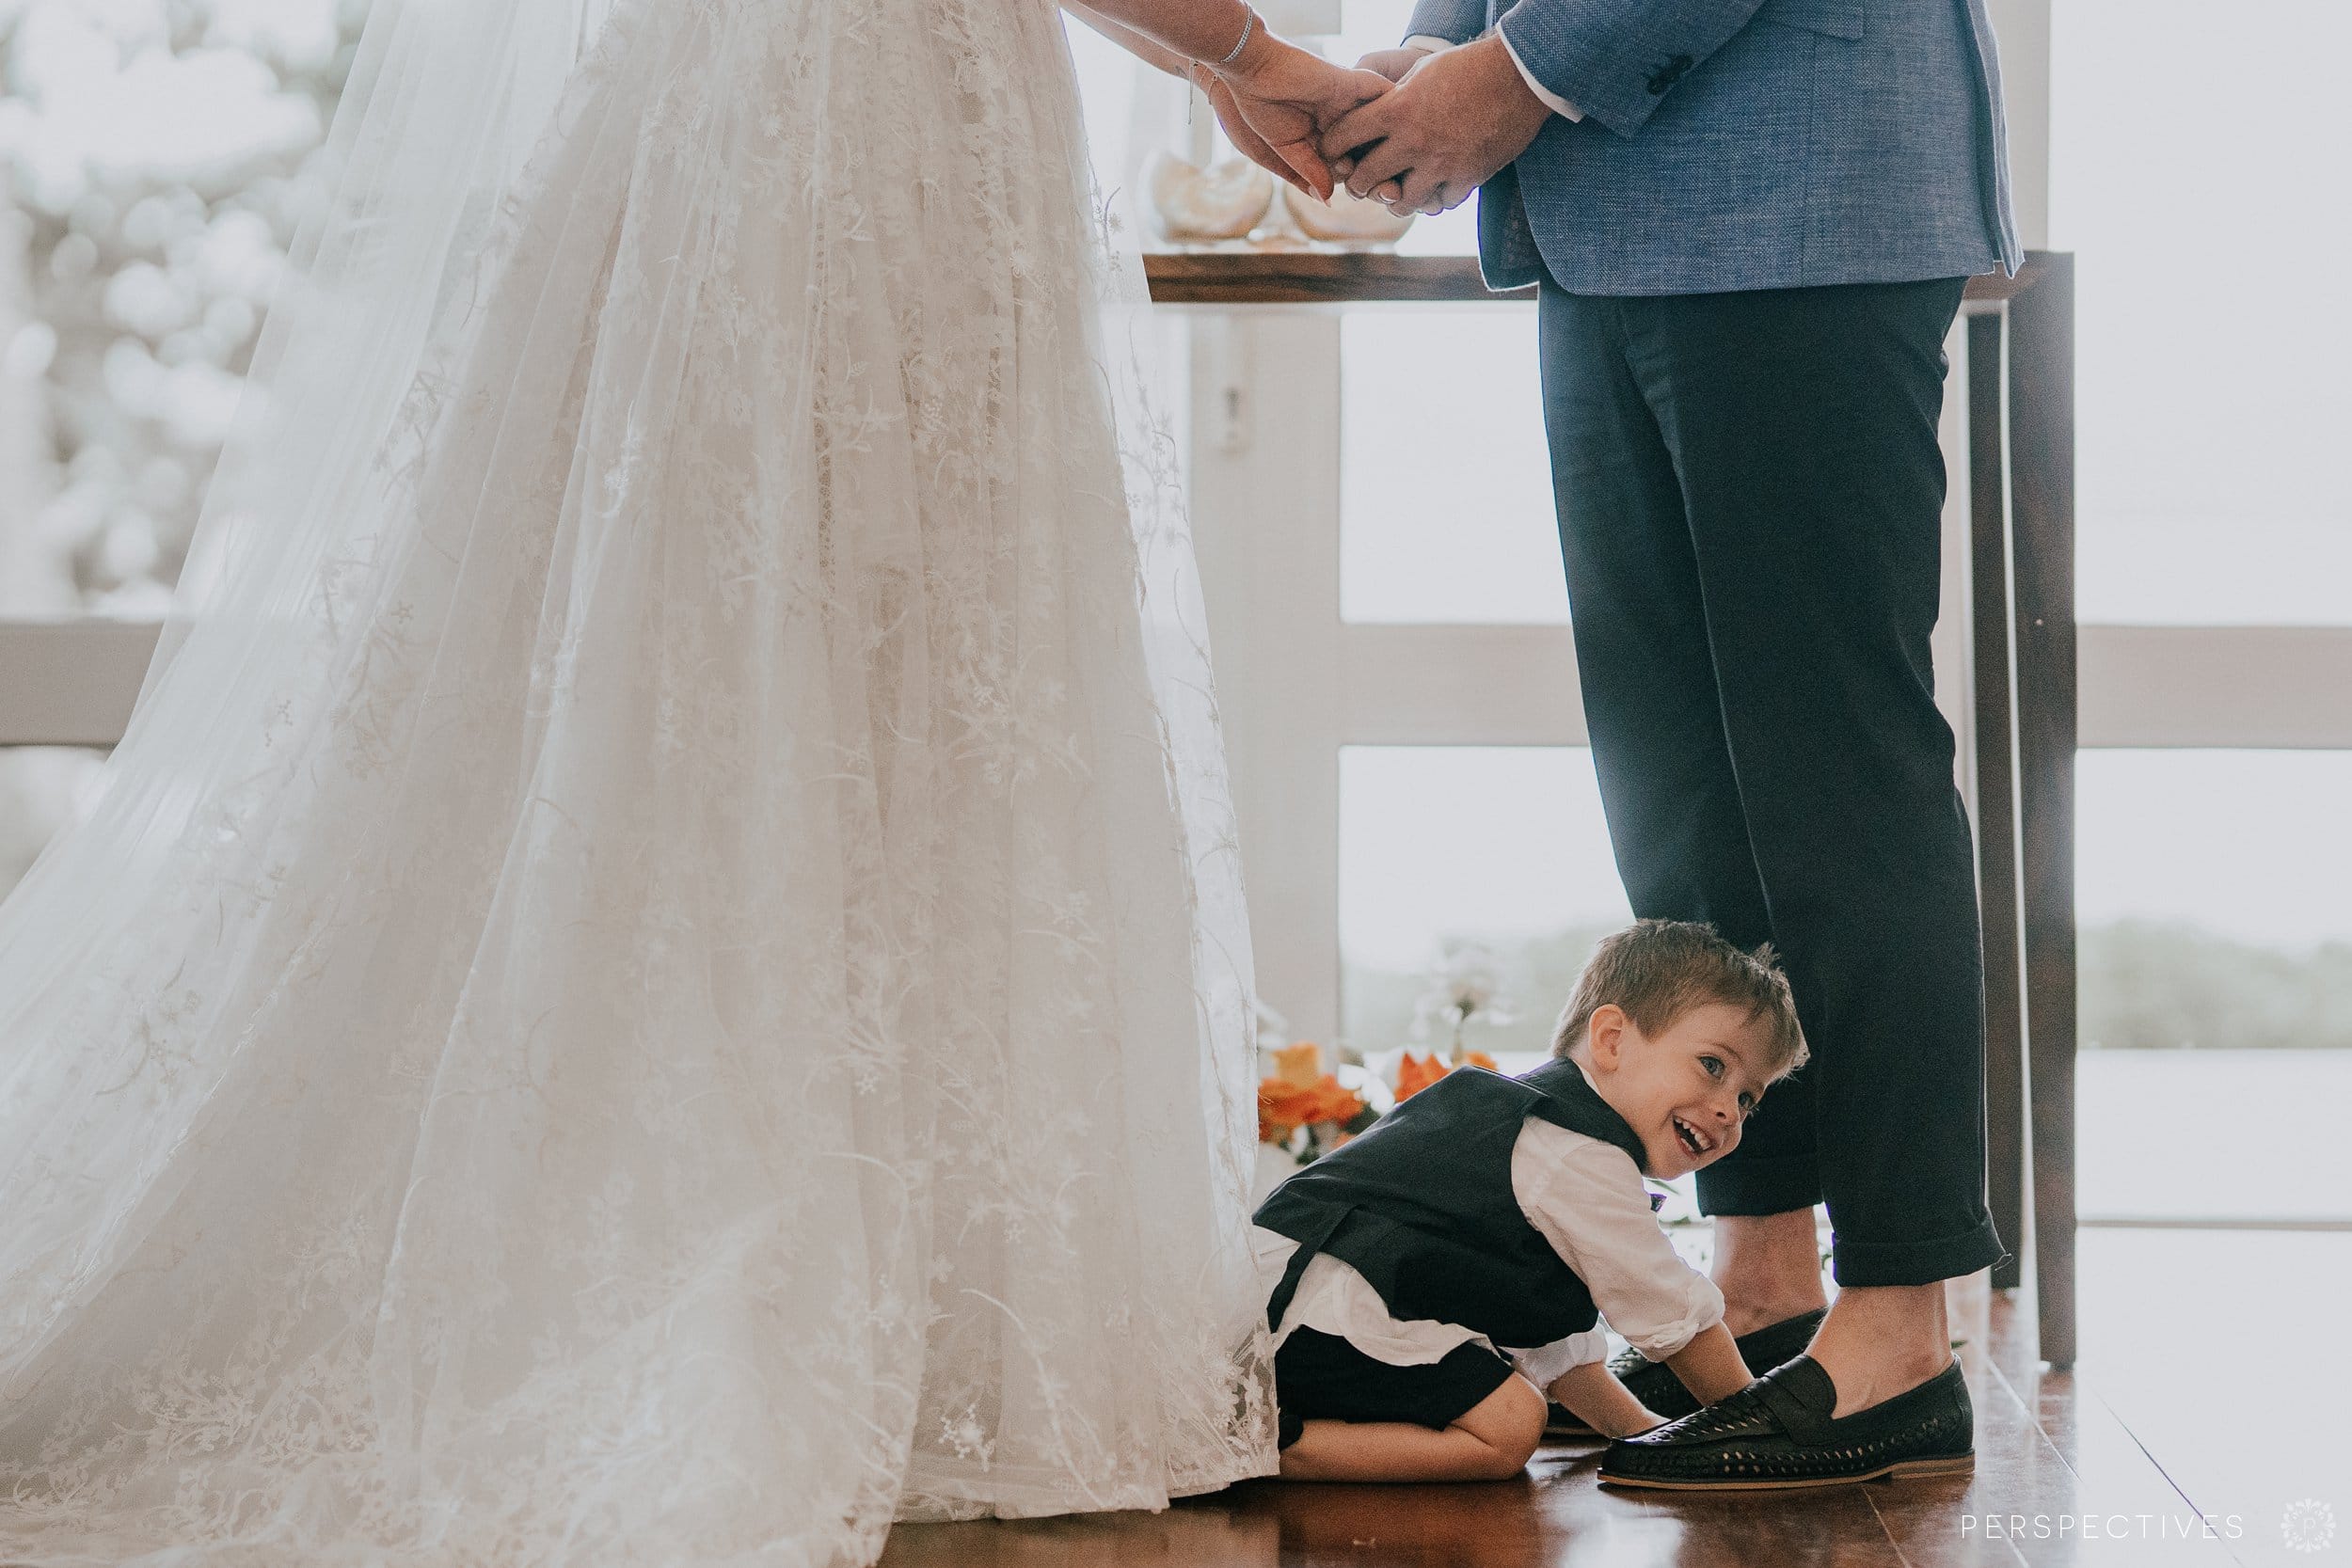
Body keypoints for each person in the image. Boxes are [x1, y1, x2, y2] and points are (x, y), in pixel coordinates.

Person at [0, 4, 1384, 1562]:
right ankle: (850, 1283)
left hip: (719, 102)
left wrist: (1212, 59)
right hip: (875, 127)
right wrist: (1250, 51)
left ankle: (801, 1253)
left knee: (727, 672)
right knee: (877, 669)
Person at [1279, 0, 2023, 1491]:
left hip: (1802, 194)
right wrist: (1440, 48)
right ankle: (1763, 1279)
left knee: (1839, 790)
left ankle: (1901, 1321)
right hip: (1601, 224)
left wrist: (1523, 71)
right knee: (1681, 803)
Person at [1253, 920, 1810, 1482]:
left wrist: (1644, 1430)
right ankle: (1274, 1445)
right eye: (1712, 1065)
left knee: (1517, 1402)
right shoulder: (1575, 1149)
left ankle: (1283, 1430)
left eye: (1748, 1097)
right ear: (1611, 1039)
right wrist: (1766, 1428)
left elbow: (1556, 1343)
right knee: (1512, 1423)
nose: (1727, 1111)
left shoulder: (1559, 1134)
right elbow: (1670, 1309)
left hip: (1323, 1304)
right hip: (1316, 1307)